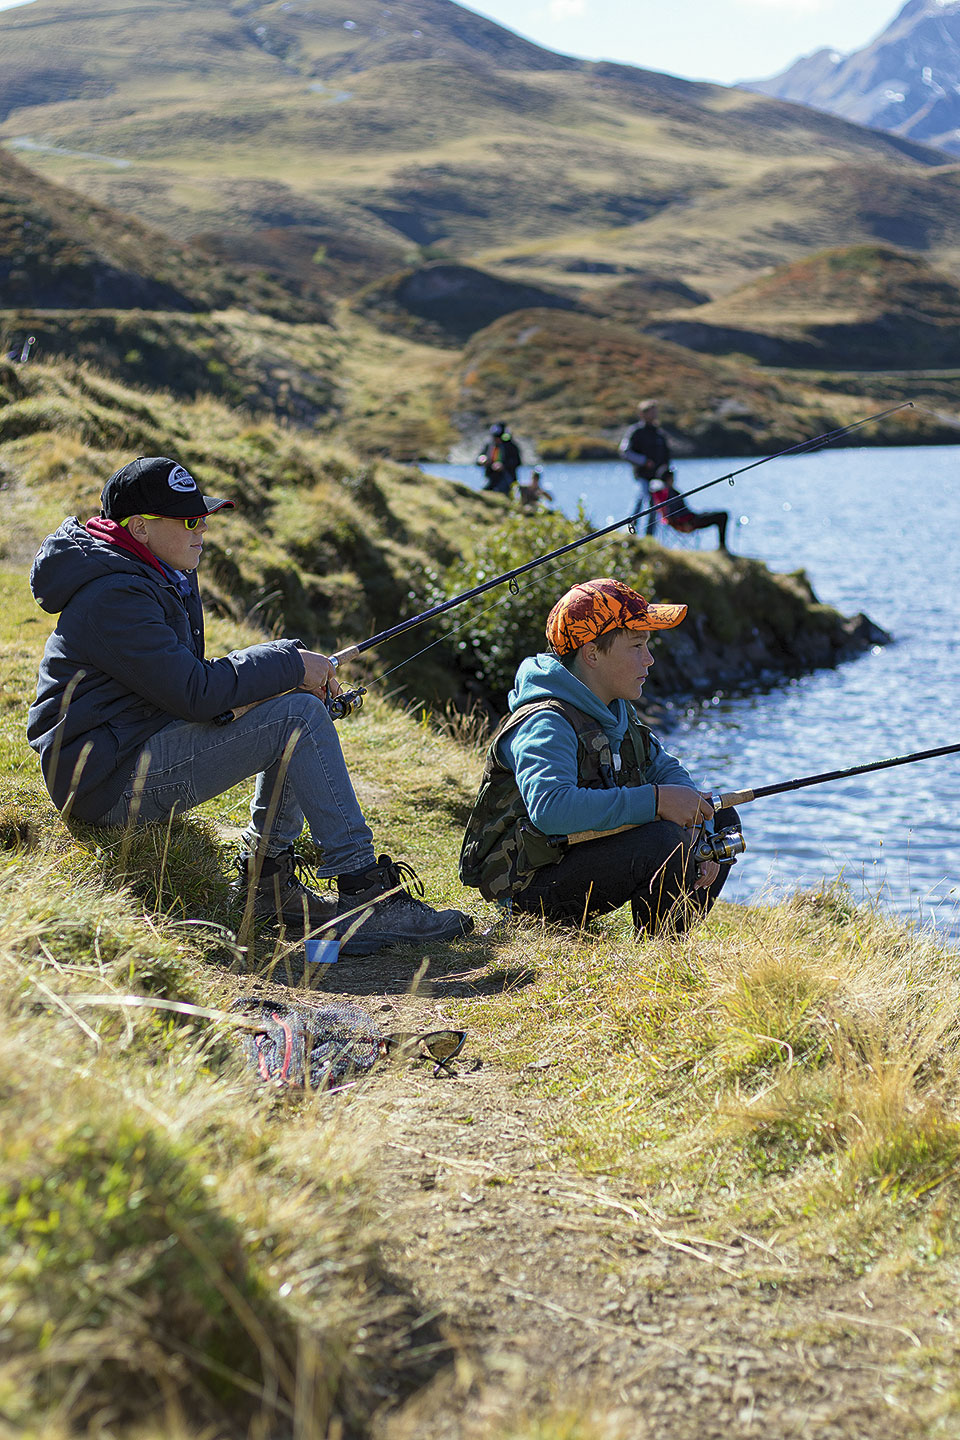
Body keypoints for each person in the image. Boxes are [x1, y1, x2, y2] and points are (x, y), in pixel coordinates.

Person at [27, 455, 473, 955]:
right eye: (189, 521)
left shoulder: (152, 570)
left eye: (204, 517)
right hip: (103, 783)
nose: (202, 529)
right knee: (298, 717)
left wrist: (282, 676)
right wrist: (287, 664)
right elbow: (194, 691)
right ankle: (362, 892)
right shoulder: (116, 594)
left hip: (130, 746)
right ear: (140, 528)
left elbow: (180, 685)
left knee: (294, 703)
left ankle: (268, 885)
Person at [459, 577, 741, 935]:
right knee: (664, 842)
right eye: (637, 646)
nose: (649, 659)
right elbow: (551, 809)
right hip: (530, 885)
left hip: (583, 857)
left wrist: (697, 824)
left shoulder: (616, 708)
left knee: (721, 816)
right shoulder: (546, 721)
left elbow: (664, 767)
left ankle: (670, 944)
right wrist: (656, 802)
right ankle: (660, 949)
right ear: (592, 654)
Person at [619, 399, 671, 537]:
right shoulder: (636, 431)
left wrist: (667, 475)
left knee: (655, 505)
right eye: (651, 412)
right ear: (642, 414)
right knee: (641, 498)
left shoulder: (659, 433)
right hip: (641, 475)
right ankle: (630, 531)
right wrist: (643, 461)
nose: (654, 414)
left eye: (655, 412)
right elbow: (625, 451)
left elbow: (666, 457)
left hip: (657, 478)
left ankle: (649, 536)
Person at [650, 472, 729, 552]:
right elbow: (676, 514)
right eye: (672, 478)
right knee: (722, 516)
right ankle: (722, 548)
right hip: (689, 522)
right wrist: (685, 523)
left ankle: (722, 548)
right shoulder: (671, 493)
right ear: (668, 479)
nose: (674, 480)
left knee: (710, 513)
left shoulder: (663, 493)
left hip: (688, 519)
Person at [476, 422, 522, 495]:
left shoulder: (511, 447)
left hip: (506, 479)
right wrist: (482, 459)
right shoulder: (489, 445)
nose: (496, 439)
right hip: (491, 478)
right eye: (495, 437)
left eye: (498, 437)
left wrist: (503, 465)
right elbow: (479, 458)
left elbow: (517, 462)